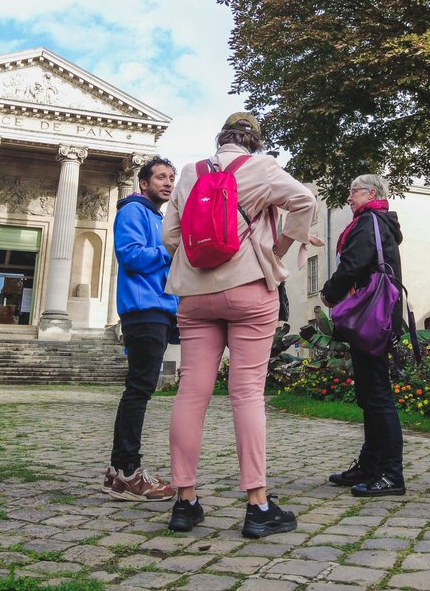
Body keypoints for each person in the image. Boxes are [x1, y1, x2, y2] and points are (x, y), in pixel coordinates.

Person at [161, 112, 322, 538]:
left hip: (195, 294)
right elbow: (305, 200)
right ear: (255, 141)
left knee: (192, 392)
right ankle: (257, 504)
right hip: (250, 286)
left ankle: (185, 502)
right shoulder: (262, 168)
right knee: (246, 393)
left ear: (221, 138)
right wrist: (278, 249)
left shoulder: (191, 172)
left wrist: (203, 260)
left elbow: (170, 236)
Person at [319, 174, 405, 497]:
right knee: (370, 394)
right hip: (376, 317)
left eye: (353, 191)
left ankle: (392, 473)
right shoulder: (376, 222)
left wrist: (329, 293)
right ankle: (370, 464)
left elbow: (352, 264)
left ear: (370, 193)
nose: (349, 196)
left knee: (378, 395)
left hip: (372, 318)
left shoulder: (369, 221)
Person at [103, 155, 178, 502]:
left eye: (171, 178)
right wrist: (168, 248)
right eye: (160, 177)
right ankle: (129, 471)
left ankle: (119, 472)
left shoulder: (154, 217)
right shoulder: (134, 211)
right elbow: (130, 255)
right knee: (139, 391)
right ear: (143, 184)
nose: (167, 183)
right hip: (144, 311)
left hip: (156, 310)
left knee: (139, 390)